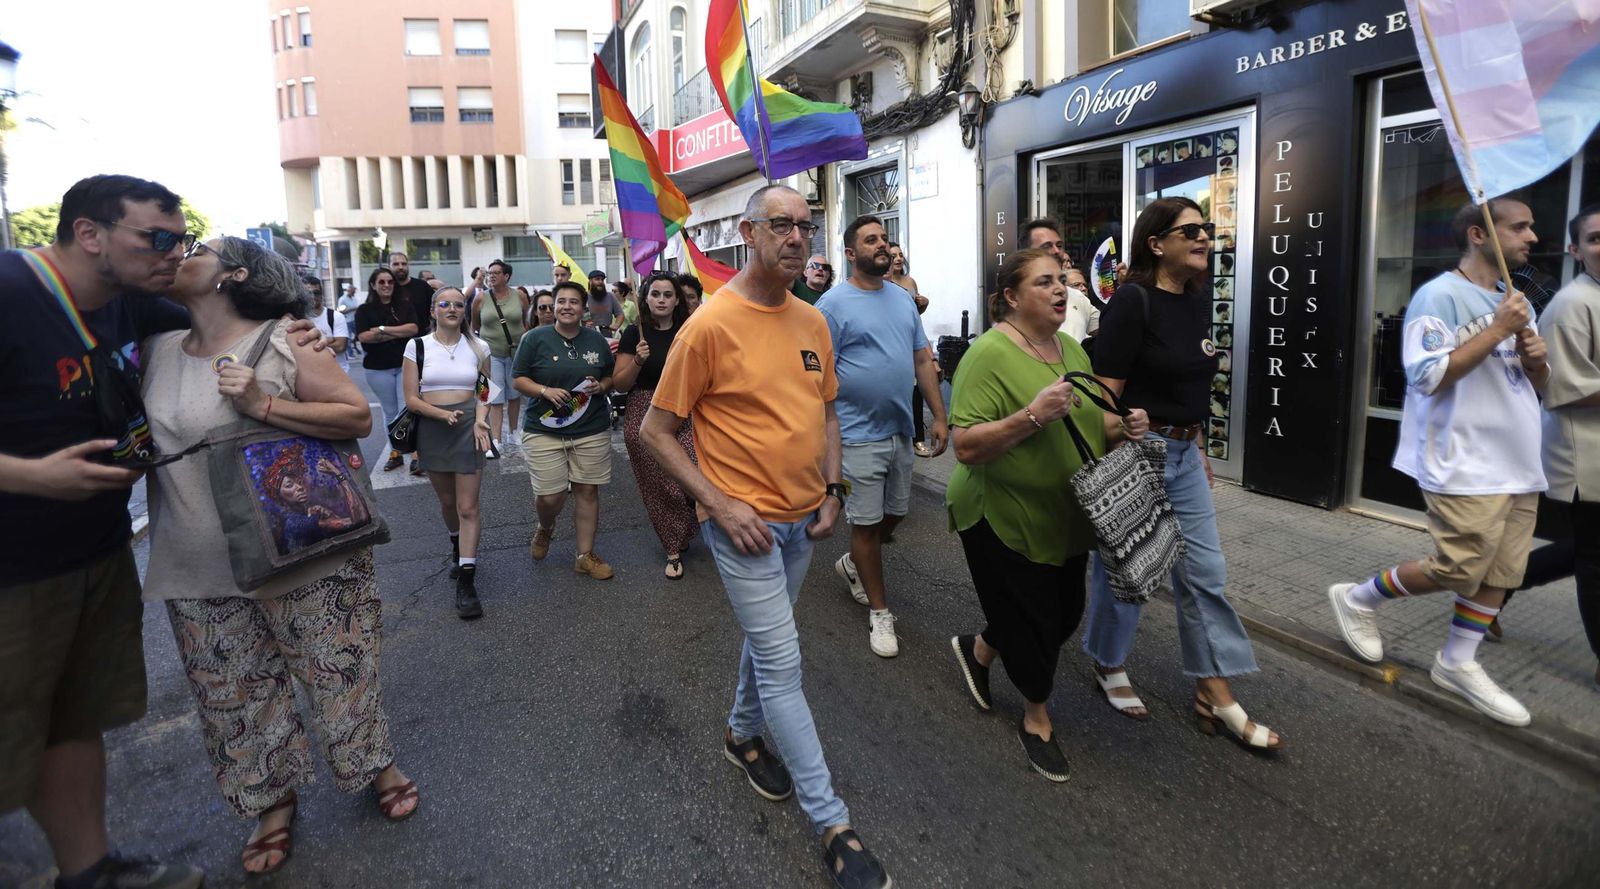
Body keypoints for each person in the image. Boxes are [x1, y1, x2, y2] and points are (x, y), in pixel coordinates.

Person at [640, 185, 891, 889]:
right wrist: (719, 505)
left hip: (803, 523)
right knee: (783, 661)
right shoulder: (709, 327)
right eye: (780, 225)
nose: (796, 237)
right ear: (748, 233)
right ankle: (833, 824)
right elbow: (656, 431)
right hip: (744, 532)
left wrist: (833, 490)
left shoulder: (813, 321)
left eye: (806, 226)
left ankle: (740, 734)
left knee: (766, 637)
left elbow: (828, 414)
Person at [142, 236, 416, 876]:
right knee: (233, 693)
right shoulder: (152, 349)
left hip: (302, 548)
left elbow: (354, 416)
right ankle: (273, 801)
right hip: (196, 560)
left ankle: (375, 764)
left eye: (194, 246)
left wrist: (261, 404)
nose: (177, 252)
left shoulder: (286, 339)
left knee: (338, 670)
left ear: (234, 273)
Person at [0, 174, 206, 889]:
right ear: (89, 234)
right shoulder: (11, 293)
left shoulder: (128, 300)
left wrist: (292, 330)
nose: (174, 254)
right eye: (158, 239)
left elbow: (230, 301)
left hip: (95, 552)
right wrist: (32, 476)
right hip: (12, 572)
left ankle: (88, 871)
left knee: (69, 720)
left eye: (182, 240)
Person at [1328, 197, 1551, 726]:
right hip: (1463, 458)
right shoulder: (1440, 295)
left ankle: (1457, 661)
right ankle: (1358, 598)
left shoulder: (1515, 301)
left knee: (1502, 571)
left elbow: (1536, 385)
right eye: (1519, 227)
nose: (1532, 237)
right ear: (1480, 234)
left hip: (1519, 459)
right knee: (1459, 568)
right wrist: (1498, 330)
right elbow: (1427, 376)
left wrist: (1536, 363)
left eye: (1531, 227)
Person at [1083, 196, 1284, 750]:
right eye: (1190, 230)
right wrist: (1121, 442)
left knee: (1204, 572)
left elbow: (1190, 384)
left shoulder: (1195, 302)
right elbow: (1104, 399)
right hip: (1137, 450)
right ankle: (1108, 661)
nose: (1203, 238)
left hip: (1184, 454)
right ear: (1156, 243)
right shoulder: (1132, 302)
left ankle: (1213, 689)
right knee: (1130, 572)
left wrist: (1195, 441)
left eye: (1206, 229)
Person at [946, 249, 1150, 781]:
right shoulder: (986, 354)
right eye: (1044, 282)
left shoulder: (1069, 348)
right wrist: (1032, 416)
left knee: (1063, 613)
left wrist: (1125, 426)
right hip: (1001, 515)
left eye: (1061, 280)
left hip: (1065, 516)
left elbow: (1091, 424)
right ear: (1012, 298)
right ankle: (1036, 716)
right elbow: (965, 446)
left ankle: (980, 649)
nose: (1061, 289)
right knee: (1035, 621)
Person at [820, 216, 948, 658]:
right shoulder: (831, 306)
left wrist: (939, 416)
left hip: (900, 429)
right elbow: (818, 376)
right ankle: (880, 612)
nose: (882, 245)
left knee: (894, 515)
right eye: (870, 240)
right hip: (855, 435)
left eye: (884, 238)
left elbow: (922, 359)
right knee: (867, 523)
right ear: (850, 254)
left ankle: (854, 561)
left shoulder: (902, 300)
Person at [1499, 204, 1600, 687]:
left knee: (1586, 548)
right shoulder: (1572, 304)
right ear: (1575, 250)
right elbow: (1560, 389)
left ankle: (1490, 592)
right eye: (1596, 238)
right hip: (1588, 458)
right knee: (1594, 558)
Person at [512, 280, 618, 580]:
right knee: (551, 496)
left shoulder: (596, 340)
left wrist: (601, 386)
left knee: (587, 490)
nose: (567, 307)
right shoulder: (534, 338)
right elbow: (518, 379)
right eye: (561, 301)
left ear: (583, 308)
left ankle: (584, 555)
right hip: (544, 428)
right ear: (553, 306)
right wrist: (544, 390)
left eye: (574, 302)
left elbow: (610, 377)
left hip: (591, 428)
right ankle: (546, 527)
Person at [404, 288, 493, 619]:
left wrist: (481, 420)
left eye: (458, 304)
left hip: (469, 427)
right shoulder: (417, 346)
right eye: (445, 304)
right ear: (433, 311)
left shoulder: (479, 346)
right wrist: (441, 415)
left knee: (467, 506)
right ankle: (456, 544)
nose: (452, 308)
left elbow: (484, 390)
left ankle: (467, 581)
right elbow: (411, 399)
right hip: (433, 426)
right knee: (447, 502)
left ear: (464, 311)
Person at [615, 272, 699, 579]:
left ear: (677, 300)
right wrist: (637, 361)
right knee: (659, 484)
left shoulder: (689, 329)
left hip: (685, 406)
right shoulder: (634, 333)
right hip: (645, 408)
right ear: (645, 299)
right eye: (655, 294)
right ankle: (672, 547)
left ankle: (686, 522)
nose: (661, 300)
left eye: (667, 295)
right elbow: (620, 384)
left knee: (693, 471)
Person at [353, 267, 422, 474]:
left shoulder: (404, 305)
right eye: (381, 282)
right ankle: (396, 453)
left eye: (390, 282)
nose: (386, 285)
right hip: (377, 369)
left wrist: (382, 330)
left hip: (404, 365)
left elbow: (413, 329)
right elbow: (364, 337)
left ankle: (415, 455)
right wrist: (399, 333)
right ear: (373, 285)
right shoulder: (364, 310)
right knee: (390, 412)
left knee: (407, 409)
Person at [469, 259, 529, 456]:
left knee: (514, 393)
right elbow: (475, 324)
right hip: (490, 354)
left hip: (516, 352)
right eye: (489, 273)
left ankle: (513, 432)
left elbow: (526, 320)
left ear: (506, 276)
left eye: (496, 273)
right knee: (493, 396)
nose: (491, 276)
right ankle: (496, 439)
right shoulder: (481, 298)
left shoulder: (519, 295)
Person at [887, 242, 941, 458]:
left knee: (917, 392)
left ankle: (918, 438)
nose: (899, 259)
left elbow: (915, 317)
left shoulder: (910, 282)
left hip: (913, 341)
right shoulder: (884, 283)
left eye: (901, 255)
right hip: (895, 342)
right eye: (893, 255)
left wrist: (924, 303)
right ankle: (899, 436)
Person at [305, 274, 351, 373]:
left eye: (316, 293)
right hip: (311, 374)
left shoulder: (335, 316)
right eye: (307, 293)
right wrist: (329, 340)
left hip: (338, 372)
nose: (312, 297)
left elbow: (340, 346)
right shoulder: (299, 318)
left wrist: (311, 345)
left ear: (322, 295)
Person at [390, 252, 435, 336]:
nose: (400, 267)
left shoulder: (422, 286)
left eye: (404, 264)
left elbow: (436, 310)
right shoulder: (386, 289)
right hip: (393, 340)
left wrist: (433, 331)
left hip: (422, 338)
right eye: (396, 264)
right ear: (388, 266)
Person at [1063, 266, 1101, 344]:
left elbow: (1103, 330)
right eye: (1076, 285)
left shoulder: (1087, 304)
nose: (1084, 288)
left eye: (1085, 285)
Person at [585, 269, 625, 334]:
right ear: (590, 281)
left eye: (602, 280)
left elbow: (620, 314)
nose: (600, 282)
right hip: (587, 334)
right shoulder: (583, 297)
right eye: (597, 279)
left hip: (606, 335)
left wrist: (616, 325)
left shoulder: (610, 296)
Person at [338, 282, 363, 359]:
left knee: (359, 335)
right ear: (349, 291)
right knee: (348, 338)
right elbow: (341, 311)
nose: (354, 293)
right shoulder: (342, 299)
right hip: (347, 321)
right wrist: (353, 309)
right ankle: (350, 354)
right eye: (353, 292)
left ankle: (357, 349)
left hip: (354, 320)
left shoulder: (354, 299)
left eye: (354, 292)